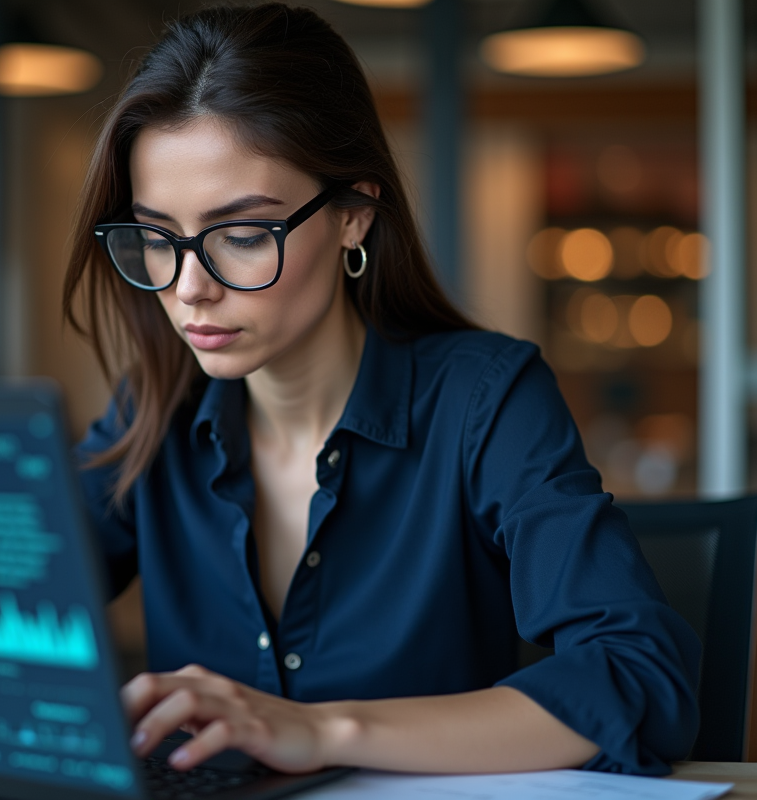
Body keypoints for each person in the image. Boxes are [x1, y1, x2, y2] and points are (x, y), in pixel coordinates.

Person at [64, 2, 699, 779]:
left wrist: (322, 732)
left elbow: (637, 675)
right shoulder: (152, 410)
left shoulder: (483, 401)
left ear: (353, 216)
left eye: (241, 234)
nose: (189, 288)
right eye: (156, 236)